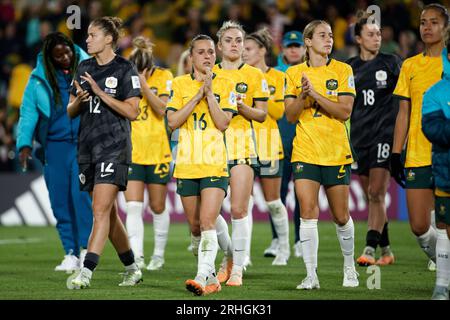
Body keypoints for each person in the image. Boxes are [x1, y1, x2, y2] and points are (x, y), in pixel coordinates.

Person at [66, 16, 142, 289]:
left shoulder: (125, 69)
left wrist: (100, 92)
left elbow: (133, 111)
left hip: (114, 147)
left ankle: (85, 272)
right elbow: (70, 110)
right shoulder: (84, 67)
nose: (87, 39)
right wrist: (81, 101)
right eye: (87, 35)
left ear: (109, 39)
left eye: (93, 35)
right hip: (87, 147)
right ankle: (132, 268)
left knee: (100, 211)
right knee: (108, 216)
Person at [285, 20, 359, 289]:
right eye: (322, 35)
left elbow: (344, 112)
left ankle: (349, 267)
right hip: (305, 151)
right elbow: (291, 116)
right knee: (307, 212)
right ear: (307, 41)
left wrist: (315, 94)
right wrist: (304, 98)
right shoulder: (294, 73)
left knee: (340, 216)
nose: (329, 40)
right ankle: (311, 275)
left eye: (330, 35)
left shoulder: (343, 70)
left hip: (336, 151)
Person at [166, 34, 237, 296]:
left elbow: (223, 122)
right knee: (196, 226)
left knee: (207, 221)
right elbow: (173, 121)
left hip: (214, 163)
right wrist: (197, 97)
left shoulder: (227, 83)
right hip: (186, 164)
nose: (207, 56)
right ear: (192, 56)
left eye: (210, 52)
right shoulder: (179, 84)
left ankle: (202, 276)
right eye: (201, 52)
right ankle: (228, 256)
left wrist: (210, 95)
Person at [16, 32, 93, 272]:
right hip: (54, 147)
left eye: (67, 52)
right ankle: (69, 253)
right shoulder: (38, 79)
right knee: (59, 201)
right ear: (49, 58)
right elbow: (28, 113)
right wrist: (24, 144)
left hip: (82, 143)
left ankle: (84, 250)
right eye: (58, 55)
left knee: (80, 198)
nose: (65, 57)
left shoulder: (89, 68)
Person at [391, 3, 449, 271]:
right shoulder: (410, 65)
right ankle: (445, 264)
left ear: (446, 27)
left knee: (446, 225)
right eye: (423, 22)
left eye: (434, 22)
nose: (427, 27)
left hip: (446, 153)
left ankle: (444, 278)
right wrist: (395, 152)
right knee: (418, 226)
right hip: (417, 153)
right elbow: (404, 113)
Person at [213, 20, 269, 286]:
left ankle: (237, 270)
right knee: (209, 213)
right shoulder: (209, 75)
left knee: (238, 208)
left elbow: (262, 114)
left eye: (239, 41)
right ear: (219, 45)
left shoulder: (255, 75)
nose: (234, 45)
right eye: (229, 40)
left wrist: (242, 109)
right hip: (210, 148)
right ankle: (230, 255)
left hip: (242, 146)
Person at [346, 11, 402, 266]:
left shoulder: (391, 63)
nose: (377, 38)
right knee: (373, 196)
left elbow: (404, 102)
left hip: (384, 135)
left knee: (376, 191)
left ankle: (369, 248)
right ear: (358, 39)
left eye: (378, 33)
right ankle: (387, 251)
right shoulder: (350, 69)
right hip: (360, 139)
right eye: (370, 34)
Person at [125, 36, 173, 271]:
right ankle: (138, 256)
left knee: (157, 206)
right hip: (132, 151)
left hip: (158, 151)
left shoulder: (165, 77)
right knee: (133, 206)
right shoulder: (123, 76)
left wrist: (143, 85)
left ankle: (159, 255)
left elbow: (162, 109)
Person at [243, 28, 290, 265]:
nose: (243, 53)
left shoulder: (278, 77)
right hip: (243, 145)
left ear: (262, 50)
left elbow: (279, 111)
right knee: (244, 203)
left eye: (248, 49)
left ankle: (283, 248)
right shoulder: (239, 76)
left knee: (273, 202)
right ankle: (245, 255)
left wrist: (257, 92)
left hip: (269, 144)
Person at [267, 30, 306, 259]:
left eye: (297, 46)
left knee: (302, 194)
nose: (294, 50)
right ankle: (276, 239)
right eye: (290, 46)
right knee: (277, 194)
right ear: (282, 49)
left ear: (304, 48)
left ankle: (300, 239)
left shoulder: (308, 73)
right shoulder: (273, 74)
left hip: (302, 141)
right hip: (277, 141)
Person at [422, 42, 450, 300]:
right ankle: (442, 285)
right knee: (444, 227)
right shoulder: (435, 93)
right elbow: (431, 130)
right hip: (446, 171)